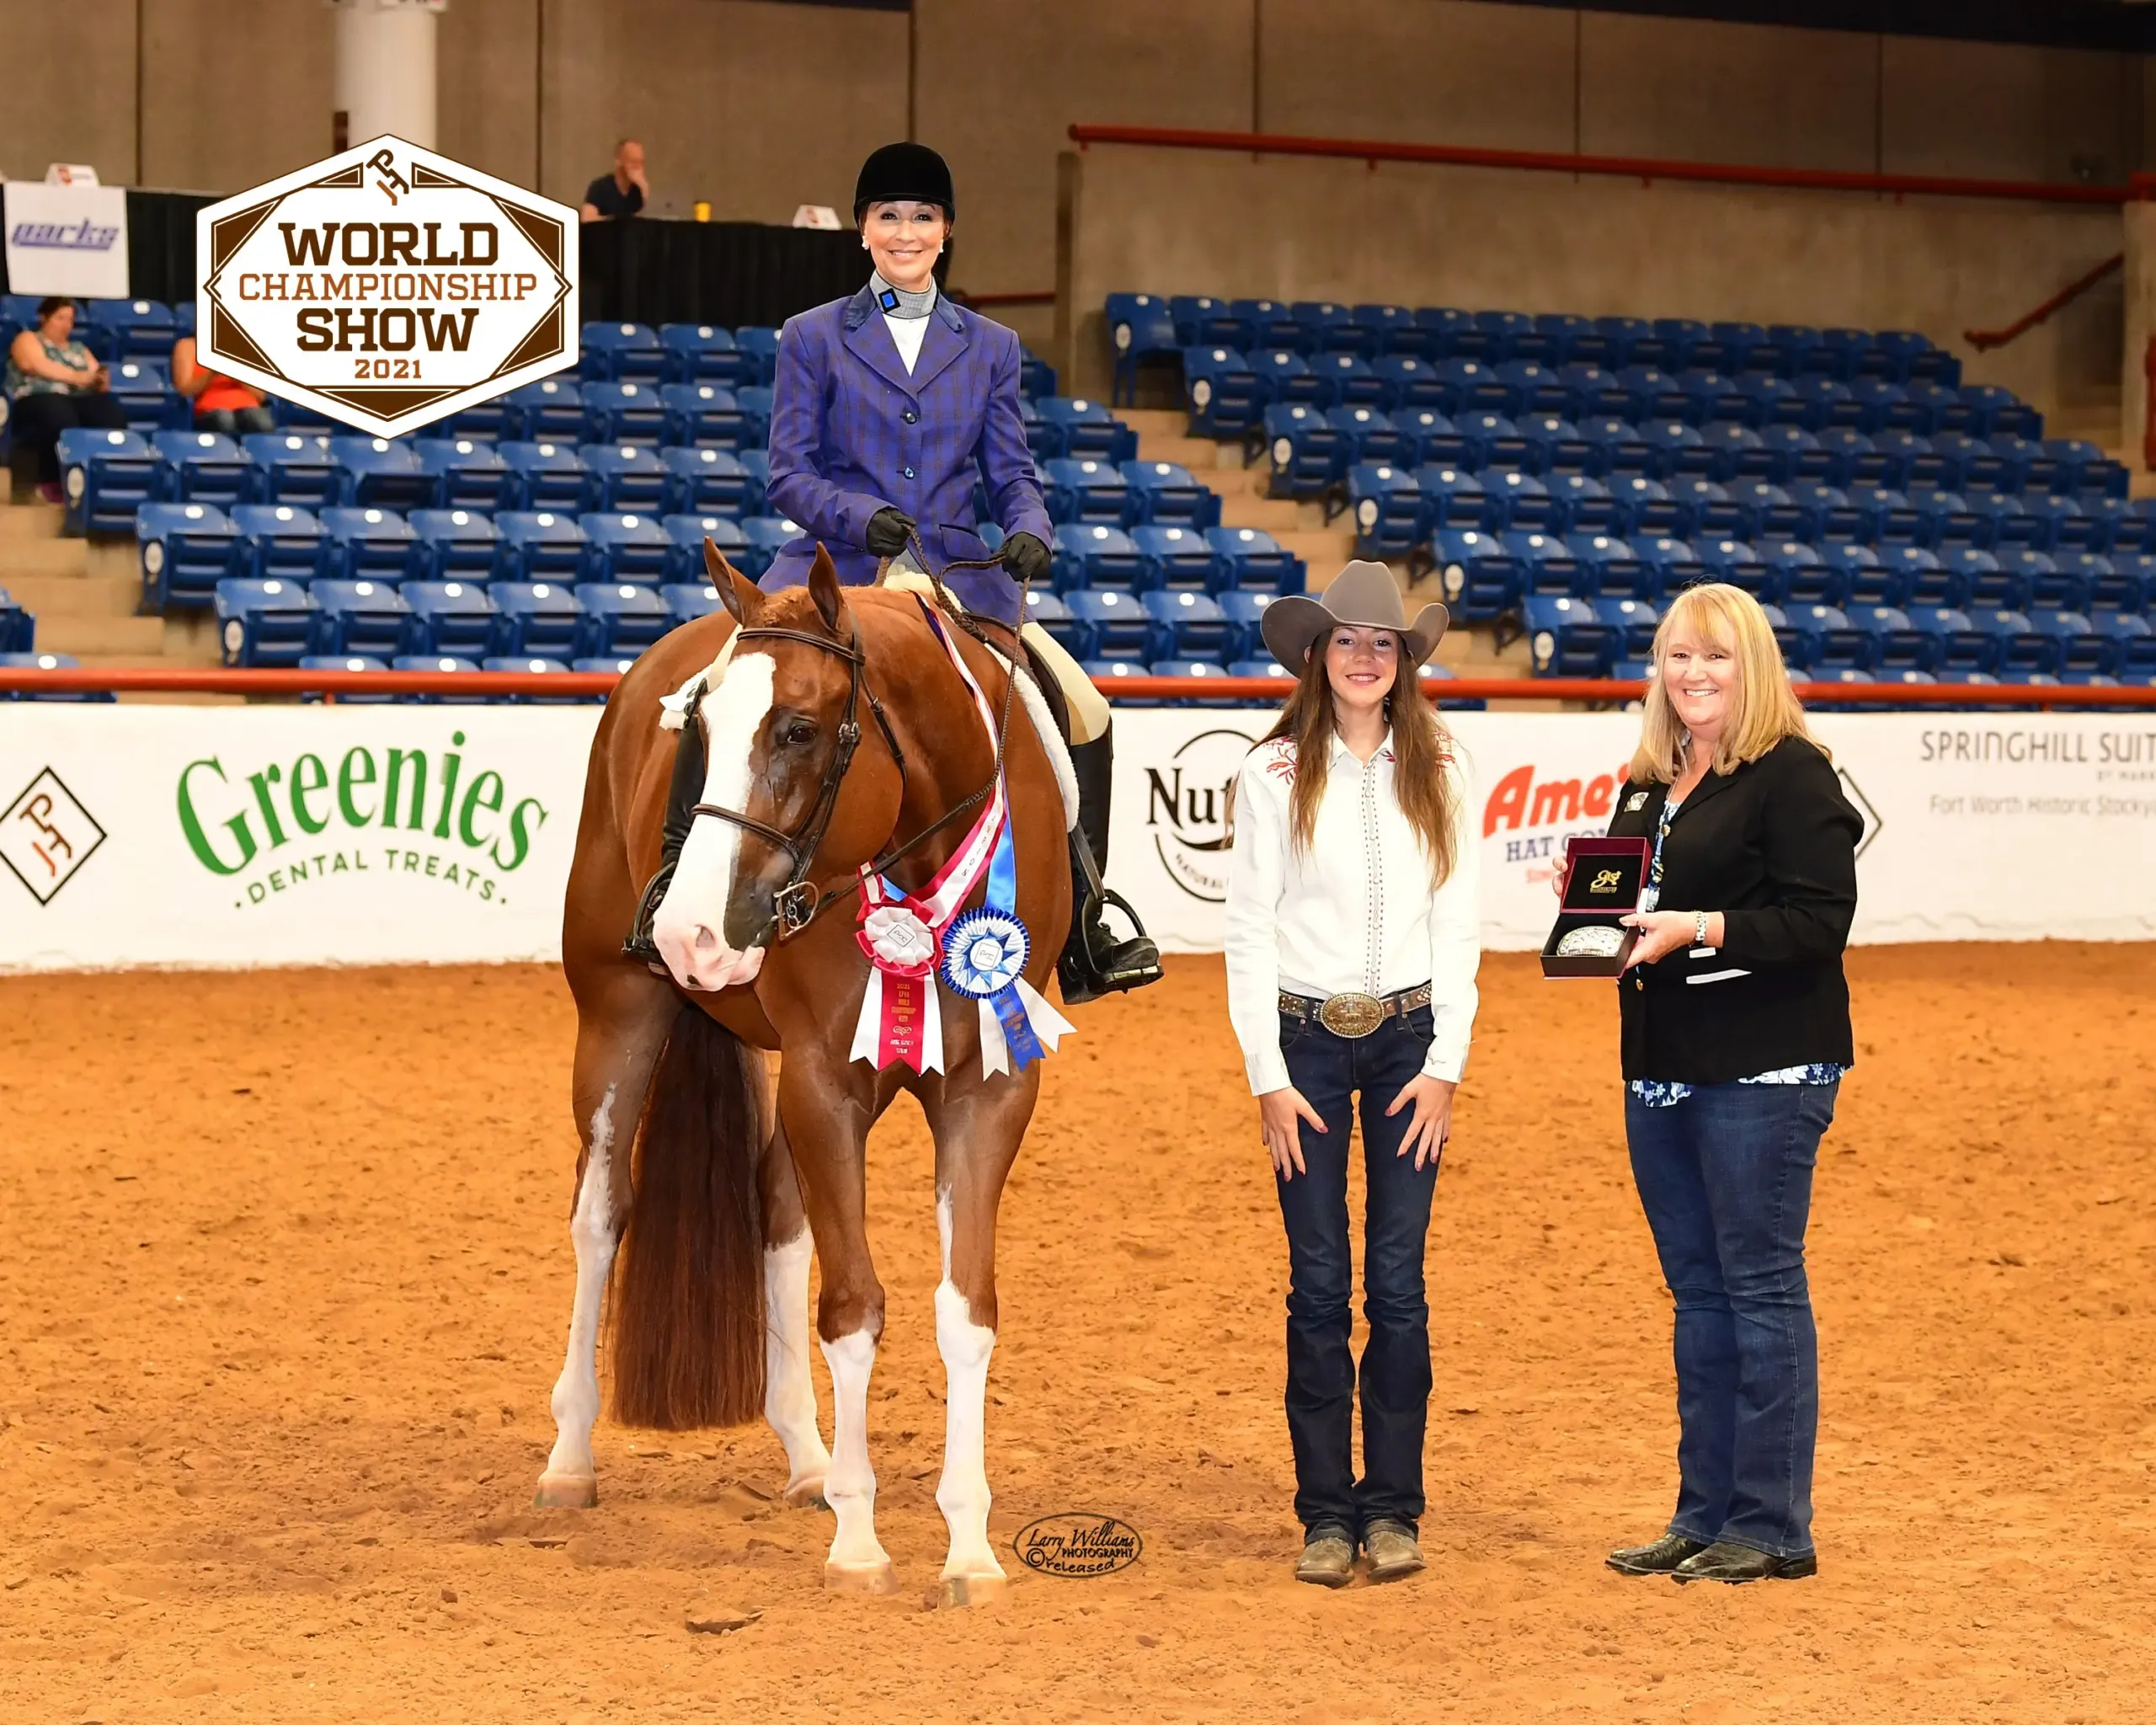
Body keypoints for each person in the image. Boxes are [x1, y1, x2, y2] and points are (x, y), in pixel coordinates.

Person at [758, 140, 1160, 1005]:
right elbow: (786, 472)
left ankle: (1087, 921)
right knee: (715, 690)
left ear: (947, 233)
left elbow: (1011, 470)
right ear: (863, 231)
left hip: (954, 577)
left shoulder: (991, 346)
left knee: (1083, 713)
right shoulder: (812, 337)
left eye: (923, 216)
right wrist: (858, 517)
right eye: (888, 216)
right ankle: (680, 883)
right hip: (839, 570)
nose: (905, 231)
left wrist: (1028, 526)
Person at [1577, 582, 1860, 1585]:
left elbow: (1819, 919)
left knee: (1759, 1285)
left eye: (1715, 657)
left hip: (1765, 1068)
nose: (1692, 674)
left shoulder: (1792, 774)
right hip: (1662, 1066)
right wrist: (1595, 930)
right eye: (1677, 656)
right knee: (1700, 1294)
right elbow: (1621, 905)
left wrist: (1695, 927)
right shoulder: (1649, 781)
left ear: (1754, 667)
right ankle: (1703, 1513)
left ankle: (1773, 1520)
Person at [1223, 560, 1481, 1589]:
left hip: (1411, 1040)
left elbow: (1460, 920)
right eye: (1347, 640)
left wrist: (1448, 1061)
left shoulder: (1447, 768)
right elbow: (1247, 924)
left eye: (1384, 642)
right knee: (1320, 1286)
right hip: (1306, 1047)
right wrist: (1267, 1075)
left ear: (1403, 659)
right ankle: (1327, 1513)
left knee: (1401, 1286)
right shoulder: (1273, 771)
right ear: (1316, 654)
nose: (1366, 656)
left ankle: (1395, 1509)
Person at [5, 297, 128, 505]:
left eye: (70, 320)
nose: (66, 325)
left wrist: (100, 380)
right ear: (43, 318)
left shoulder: (78, 348)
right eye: (60, 318)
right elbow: (33, 364)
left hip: (76, 399)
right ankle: (54, 482)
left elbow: (95, 374)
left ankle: (104, 485)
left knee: (111, 416)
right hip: (36, 396)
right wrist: (78, 377)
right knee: (59, 415)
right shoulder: (28, 339)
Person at [171, 334, 274, 437]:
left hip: (249, 408)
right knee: (225, 420)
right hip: (210, 410)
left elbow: (261, 396)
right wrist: (211, 373)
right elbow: (184, 391)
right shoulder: (187, 346)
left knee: (262, 422)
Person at [581, 140, 648, 222]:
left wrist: (643, 188)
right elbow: (587, 220)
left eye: (641, 162)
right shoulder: (600, 187)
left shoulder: (638, 190)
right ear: (619, 162)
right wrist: (616, 222)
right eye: (633, 161)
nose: (638, 167)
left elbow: (646, 221)